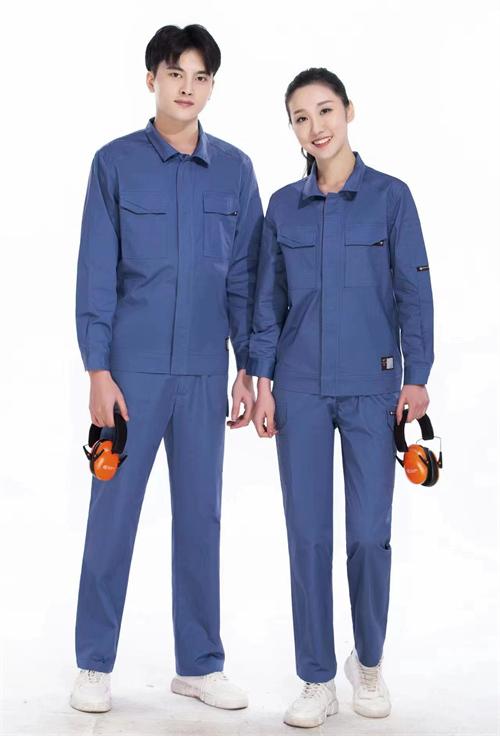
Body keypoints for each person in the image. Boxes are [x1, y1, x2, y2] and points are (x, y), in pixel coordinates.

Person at [71, 24, 263, 713]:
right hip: (132, 374)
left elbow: (244, 278)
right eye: (176, 73)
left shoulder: (236, 170)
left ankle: (200, 664)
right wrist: (97, 368)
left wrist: (249, 368)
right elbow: (97, 271)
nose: (188, 87)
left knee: (201, 517)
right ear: (151, 77)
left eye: (201, 76)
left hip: (205, 373)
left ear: (212, 85)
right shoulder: (115, 164)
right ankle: (93, 663)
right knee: (113, 512)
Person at [247, 67, 434, 728]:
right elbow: (267, 302)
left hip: (372, 389)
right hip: (298, 388)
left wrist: (417, 375)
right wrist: (261, 379)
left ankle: (369, 662)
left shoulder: (391, 198)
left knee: (369, 536)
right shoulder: (282, 207)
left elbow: (414, 291)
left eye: (324, 110)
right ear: (293, 129)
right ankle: (317, 678)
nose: (315, 126)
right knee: (307, 537)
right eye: (301, 117)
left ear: (348, 111)